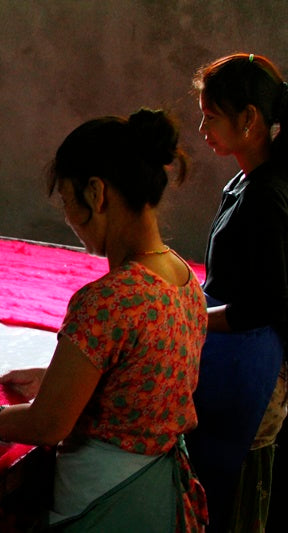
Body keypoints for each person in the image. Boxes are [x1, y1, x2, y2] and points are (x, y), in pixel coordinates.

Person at [0, 109, 209, 531]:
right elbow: (138, 379)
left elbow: (47, 424)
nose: (69, 218)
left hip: (108, 502)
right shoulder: (183, 277)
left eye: (68, 201)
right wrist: (57, 377)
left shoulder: (108, 299)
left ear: (96, 193)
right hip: (159, 498)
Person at [185, 53, 288, 533]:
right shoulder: (246, 182)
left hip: (254, 373)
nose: (202, 127)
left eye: (211, 117)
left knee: (237, 497)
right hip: (234, 358)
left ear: (249, 119)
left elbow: (262, 305)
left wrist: (188, 317)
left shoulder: (268, 195)